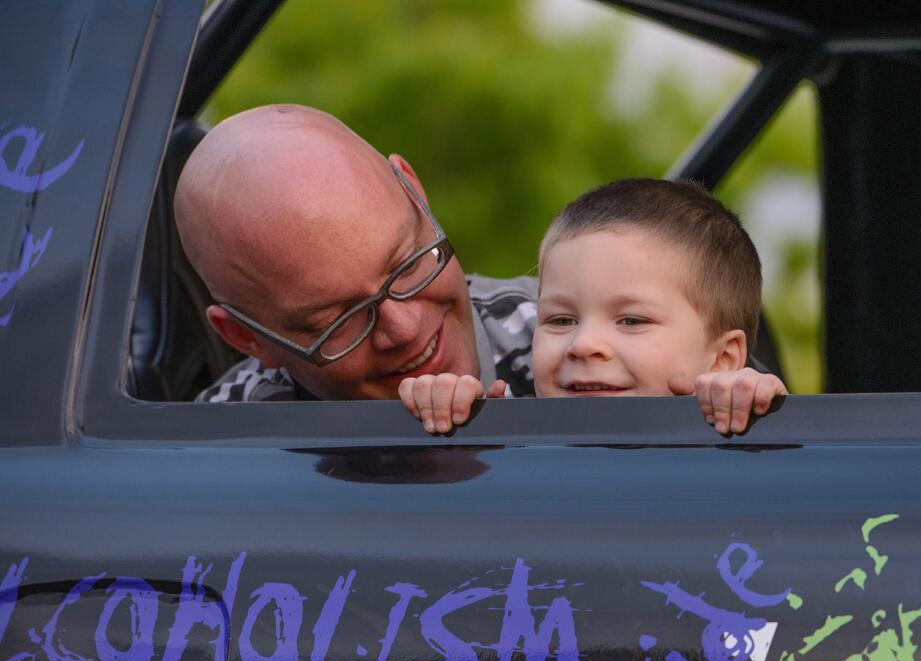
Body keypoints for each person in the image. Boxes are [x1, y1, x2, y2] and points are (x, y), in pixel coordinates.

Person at [176, 104, 536, 402]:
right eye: (338, 319)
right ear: (247, 337)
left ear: (414, 190)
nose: (405, 329)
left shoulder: (564, 343)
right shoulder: (222, 457)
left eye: (406, 265)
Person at [400, 178, 787, 435]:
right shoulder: (511, 418)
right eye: (561, 319)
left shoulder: (734, 441)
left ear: (722, 360)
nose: (584, 344)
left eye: (632, 320)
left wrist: (749, 407)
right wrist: (453, 414)